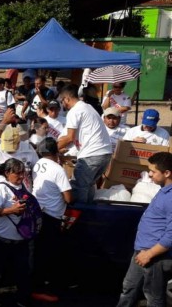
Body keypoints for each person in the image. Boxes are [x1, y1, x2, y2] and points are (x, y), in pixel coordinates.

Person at [117, 152, 172, 307]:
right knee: (129, 287)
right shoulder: (163, 189)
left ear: (167, 173)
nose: (149, 174)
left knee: (153, 297)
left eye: (153, 171)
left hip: (155, 256)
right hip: (142, 250)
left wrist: (149, 254)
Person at [0, 158, 34, 307]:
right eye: (17, 174)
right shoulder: (0, 188)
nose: (20, 177)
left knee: (22, 270)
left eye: (22, 173)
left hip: (20, 237)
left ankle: (22, 298)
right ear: (7, 173)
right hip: (0, 238)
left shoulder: (21, 185)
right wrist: (12, 210)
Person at [31, 138, 73, 302]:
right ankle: (38, 288)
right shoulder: (58, 169)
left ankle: (37, 285)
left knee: (38, 251)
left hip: (37, 212)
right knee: (47, 254)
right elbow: (69, 198)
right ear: (56, 153)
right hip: (52, 216)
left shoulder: (38, 163)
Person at [57, 84, 112, 203]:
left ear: (67, 98)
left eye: (62, 100)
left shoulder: (74, 111)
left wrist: (51, 150)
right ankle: (89, 212)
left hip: (92, 155)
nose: (62, 104)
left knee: (79, 186)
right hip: (105, 153)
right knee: (89, 185)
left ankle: (80, 215)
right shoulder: (88, 107)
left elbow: (69, 137)